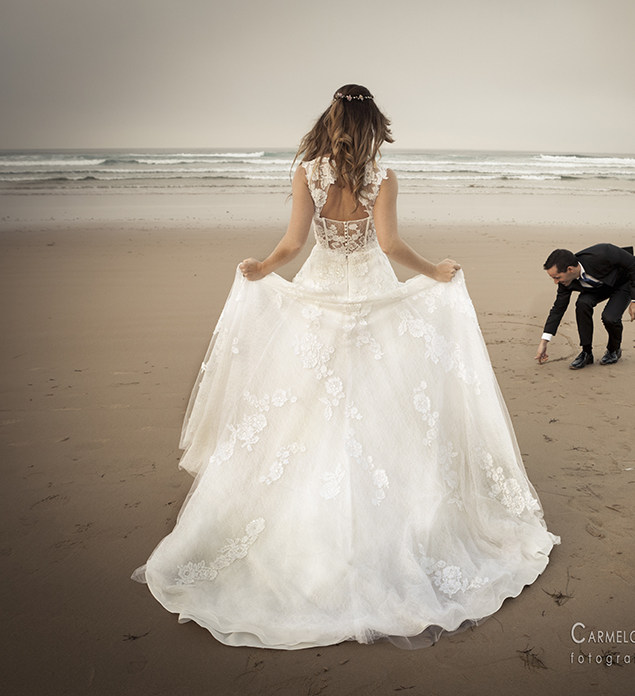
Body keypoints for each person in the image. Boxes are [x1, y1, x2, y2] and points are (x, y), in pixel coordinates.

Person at [133, 85, 558, 650]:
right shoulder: (382, 177)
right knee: (381, 410)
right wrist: (435, 271)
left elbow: (291, 244)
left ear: (331, 120)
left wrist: (261, 267)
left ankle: (300, 535)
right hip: (372, 299)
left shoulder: (308, 172)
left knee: (307, 409)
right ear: (372, 125)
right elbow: (389, 244)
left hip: (319, 297)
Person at [535, 245, 635, 369]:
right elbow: (558, 309)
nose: (556, 282)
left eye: (557, 277)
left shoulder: (604, 253)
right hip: (598, 288)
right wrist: (544, 341)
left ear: (570, 269)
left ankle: (614, 350)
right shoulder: (565, 283)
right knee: (583, 303)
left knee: (609, 317)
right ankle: (586, 353)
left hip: (622, 283)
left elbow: (634, 264)